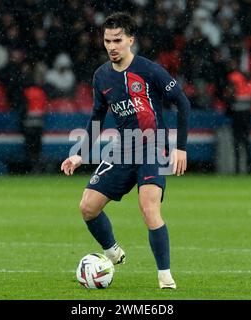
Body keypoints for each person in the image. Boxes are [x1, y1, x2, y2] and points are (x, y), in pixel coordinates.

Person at [60, 12, 190, 289]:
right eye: (107, 40)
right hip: (123, 149)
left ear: (130, 40)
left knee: (148, 207)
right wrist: (79, 153)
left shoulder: (150, 71)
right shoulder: (102, 76)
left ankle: (165, 276)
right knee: (87, 207)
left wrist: (180, 148)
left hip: (153, 148)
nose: (112, 46)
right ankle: (111, 251)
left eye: (117, 40)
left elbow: (183, 102)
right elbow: (97, 117)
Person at [226, 61, 251, 174]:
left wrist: (228, 107)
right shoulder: (250, 79)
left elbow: (230, 93)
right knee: (246, 141)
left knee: (237, 141)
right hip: (247, 113)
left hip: (237, 113)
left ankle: (238, 168)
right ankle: (250, 168)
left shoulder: (234, 77)